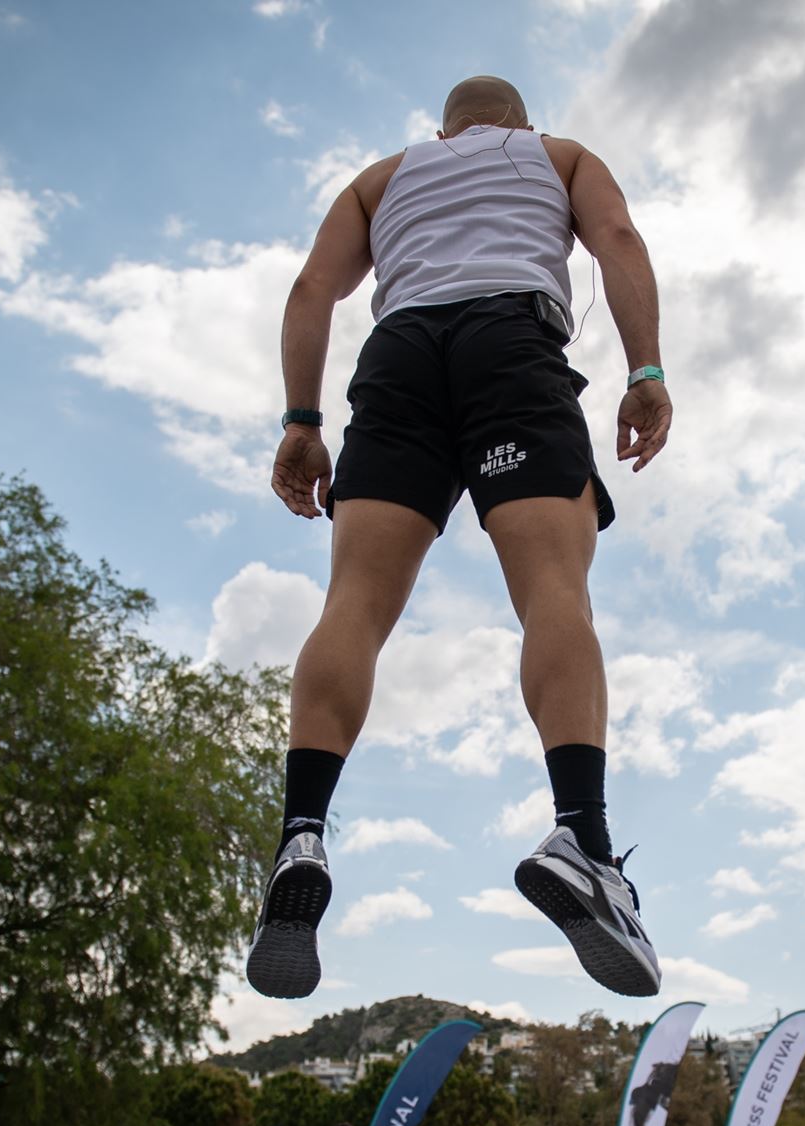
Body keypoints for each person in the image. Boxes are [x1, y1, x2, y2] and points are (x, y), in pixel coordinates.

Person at [245, 73, 672, 1002]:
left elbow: (313, 287)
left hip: (397, 358)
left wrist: (302, 420)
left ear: (442, 130)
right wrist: (645, 368)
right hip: (508, 346)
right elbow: (620, 243)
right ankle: (583, 840)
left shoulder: (383, 177)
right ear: (515, 122)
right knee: (553, 592)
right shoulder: (559, 156)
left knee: (352, 605)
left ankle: (300, 834)